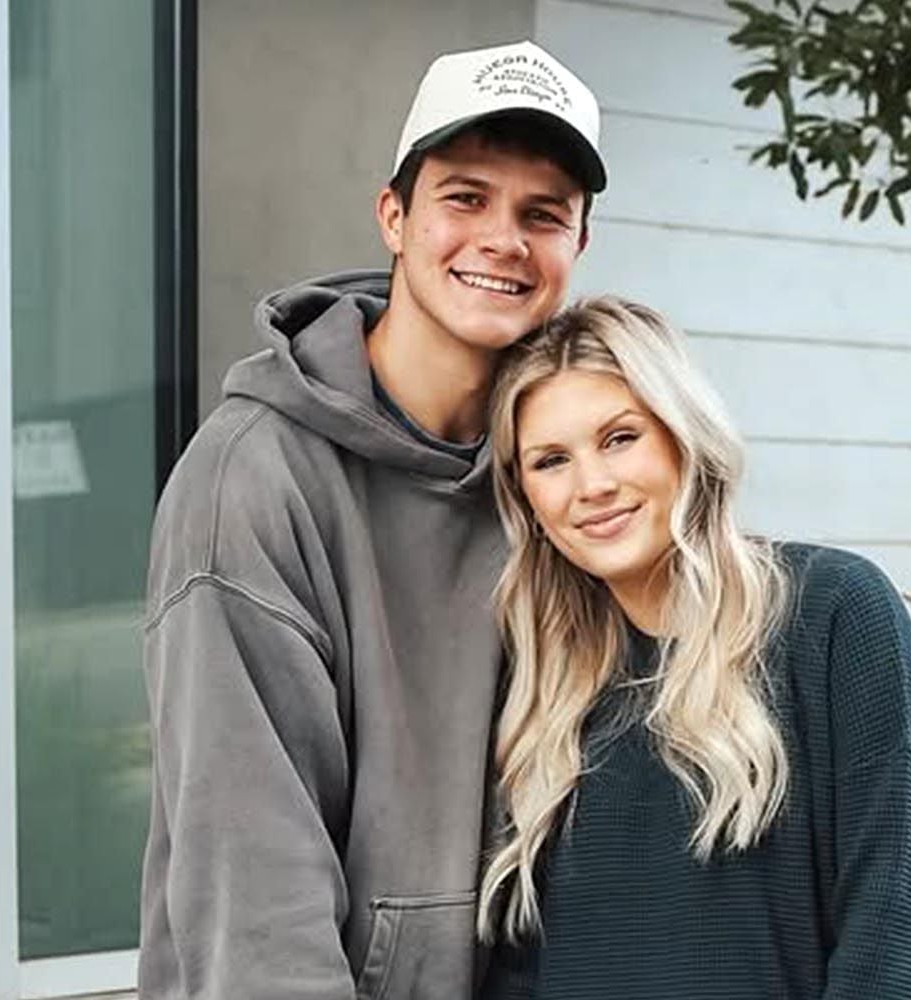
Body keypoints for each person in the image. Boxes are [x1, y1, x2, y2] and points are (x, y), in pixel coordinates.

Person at [138, 40, 605, 1000]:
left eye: (542, 213)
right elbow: (254, 898)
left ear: (578, 246)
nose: (503, 240)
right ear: (393, 215)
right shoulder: (252, 481)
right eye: (465, 198)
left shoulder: (565, 477)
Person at [476, 297, 911, 1000]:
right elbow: (519, 969)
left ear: (683, 436)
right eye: (551, 461)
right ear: (526, 499)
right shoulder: (541, 687)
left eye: (620, 438)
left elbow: (893, 915)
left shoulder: (833, 613)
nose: (592, 486)